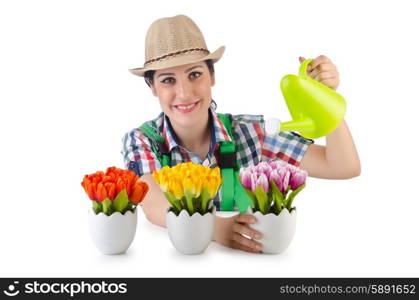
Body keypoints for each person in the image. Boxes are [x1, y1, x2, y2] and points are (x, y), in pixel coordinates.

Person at [121, 15, 361, 253]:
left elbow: (343, 166)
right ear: (153, 88)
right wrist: (215, 228)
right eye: (168, 80)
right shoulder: (143, 140)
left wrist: (324, 99)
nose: (184, 93)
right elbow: (151, 202)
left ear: (212, 76)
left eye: (195, 74)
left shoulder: (251, 134)